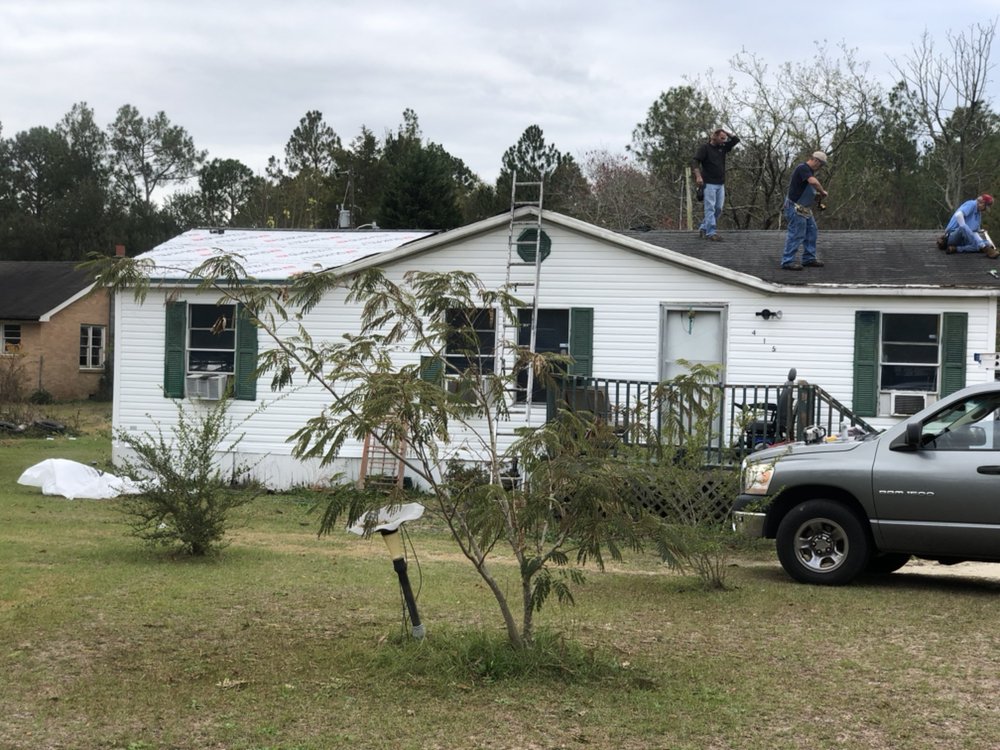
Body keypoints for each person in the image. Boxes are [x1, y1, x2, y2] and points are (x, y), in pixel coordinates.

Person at [780, 151, 829, 271]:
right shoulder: (803, 168)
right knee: (797, 233)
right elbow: (813, 182)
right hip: (794, 207)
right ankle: (787, 261)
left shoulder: (809, 172)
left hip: (804, 208)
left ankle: (808, 258)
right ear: (816, 160)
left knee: (812, 231)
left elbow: (804, 189)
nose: (820, 168)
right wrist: (822, 192)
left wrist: (816, 196)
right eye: (821, 165)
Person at [692, 128, 740, 241]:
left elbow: (736, 140)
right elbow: (695, 161)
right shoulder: (705, 148)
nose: (724, 140)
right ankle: (711, 232)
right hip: (709, 183)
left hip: (720, 183)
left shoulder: (722, 147)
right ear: (714, 137)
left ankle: (704, 227)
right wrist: (698, 176)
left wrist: (725, 131)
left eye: (725, 138)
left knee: (718, 208)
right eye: (722, 138)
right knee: (710, 208)